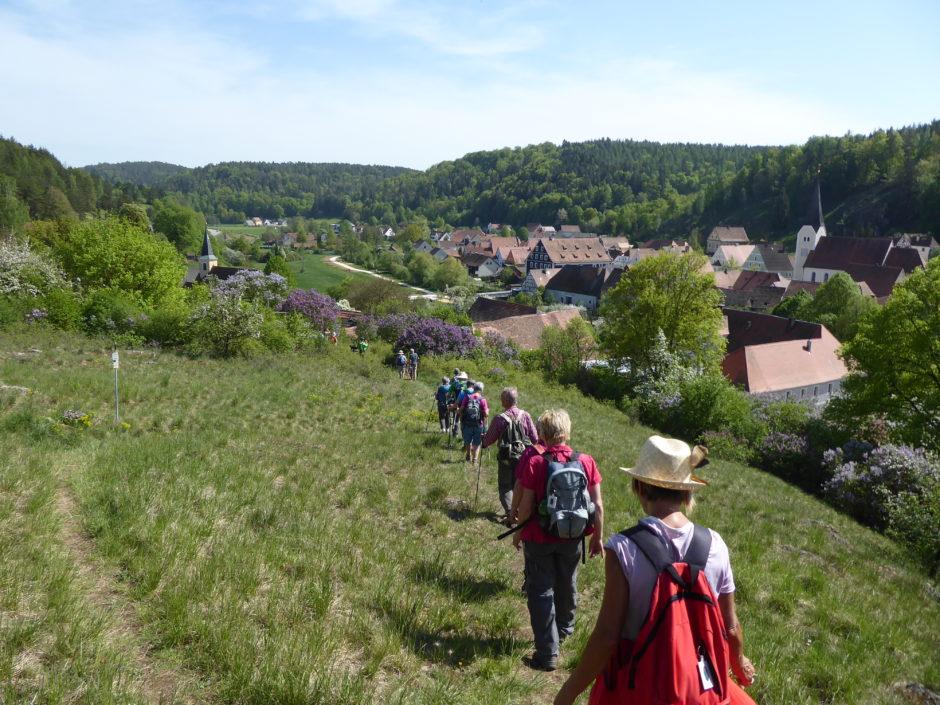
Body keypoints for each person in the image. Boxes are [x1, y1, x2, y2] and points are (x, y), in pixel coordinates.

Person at [553, 435, 757, 705]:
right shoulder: (716, 545)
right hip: (697, 685)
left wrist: (568, 692)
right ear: (687, 491)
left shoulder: (623, 548)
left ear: (639, 486)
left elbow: (606, 636)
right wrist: (739, 660)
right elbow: (730, 628)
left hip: (636, 686)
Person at [515, 409, 604, 672]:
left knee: (541, 590)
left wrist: (518, 533)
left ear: (542, 433)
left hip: (539, 538)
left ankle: (547, 653)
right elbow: (597, 505)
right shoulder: (586, 461)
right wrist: (598, 537)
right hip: (574, 535)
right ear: (567, 431)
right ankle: (564, 629)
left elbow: (527, 508)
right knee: (568, 581)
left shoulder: (536, 462)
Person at [482, 387, 538, 520]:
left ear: (506, 400)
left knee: (505, 486)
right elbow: (535, 437)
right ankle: (519, 511)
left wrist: (483, 442)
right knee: (520, 485)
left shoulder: (499, 419)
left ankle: (509, 512)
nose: (501, 400)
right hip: (523, 457)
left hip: (506, 457)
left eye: (502, 398)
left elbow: (489, 439)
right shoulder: (525, 416)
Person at [458, 381, 488, 463]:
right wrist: (486, 411)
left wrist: (458, 411)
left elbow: (460, 410)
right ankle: (475, 459)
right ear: (481, 390)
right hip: (479, 424)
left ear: (473, 388)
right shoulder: (483, 400)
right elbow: (486, 414)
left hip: (467, 423)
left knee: (468, 440)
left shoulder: (467, 398)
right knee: (477, 442)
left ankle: (468, 455)